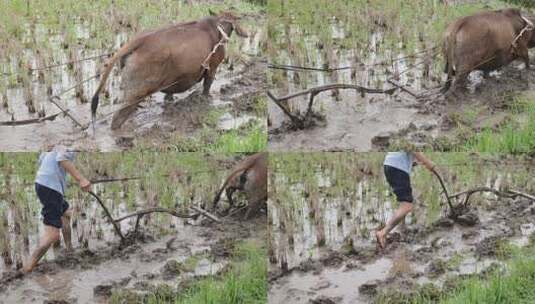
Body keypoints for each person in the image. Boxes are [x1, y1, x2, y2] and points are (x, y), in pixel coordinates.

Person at [23, 146, 91, 273]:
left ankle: (69, 249)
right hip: (51, 187)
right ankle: (27, 268)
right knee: (53, 235)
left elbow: (42, 159)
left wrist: (59, 178)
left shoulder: (54, 144)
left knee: (65, 213)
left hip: (43, 183)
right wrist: (81, 179)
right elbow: (61, 158)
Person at [375, 152, 436, 249]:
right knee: (407, 206)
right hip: (398, 166)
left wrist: (411, 162)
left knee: (403, 202)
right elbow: (413, 149)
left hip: (389, 164)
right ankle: (383, 232)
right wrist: (428, 163)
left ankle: (402, 229)